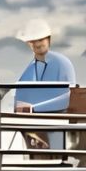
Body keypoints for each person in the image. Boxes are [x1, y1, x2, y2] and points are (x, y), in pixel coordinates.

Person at [12, 18, 76, 151]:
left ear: (49, 40)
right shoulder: (28, 71)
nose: (38, 44)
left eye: (41, 39)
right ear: (29, 43)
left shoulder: (63, 63)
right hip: (32, 127)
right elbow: (19, 99)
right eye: (34, 41)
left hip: (57, 123)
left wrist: (34, 108)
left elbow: (71, 97)